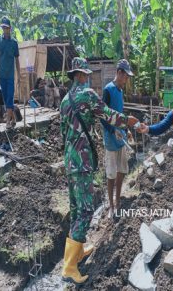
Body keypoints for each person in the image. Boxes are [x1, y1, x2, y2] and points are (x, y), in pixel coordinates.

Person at [60, 57, 138, 285]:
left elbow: (63, 133)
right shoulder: (88, 95)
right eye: (88, 74)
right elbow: (108, 115)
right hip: (82, 162)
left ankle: (78, 250)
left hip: (69, 161)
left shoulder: (65, 100)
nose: (89, 77)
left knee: (75, 207)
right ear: (83, 75)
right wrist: (129, 121)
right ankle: (69, 268)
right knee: (85, 211)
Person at [101, 59, 134, 218]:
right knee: (111, 174)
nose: (126, 80)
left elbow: (120, 114)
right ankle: (111, 205)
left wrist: (126, 130)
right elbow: (101, 116)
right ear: (119, 73)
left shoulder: (120, 92)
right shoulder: (108, 90)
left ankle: (118, 199)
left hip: (121, 138)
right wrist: (112, 130)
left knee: (121, 170)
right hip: (111, 138)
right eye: (125, 76)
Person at [0, 17, 20, 129]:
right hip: (1, 74)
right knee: (6, 98)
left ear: (10, 28)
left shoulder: (14, 43)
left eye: (6, 27)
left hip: (10, 75)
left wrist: (19, 75)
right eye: (3, 27)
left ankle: (8, 122)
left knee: (10, 97)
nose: (4, 29)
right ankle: (14, 119)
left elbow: (17, 60)